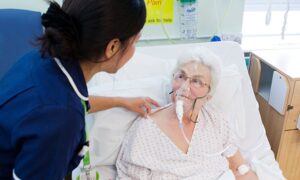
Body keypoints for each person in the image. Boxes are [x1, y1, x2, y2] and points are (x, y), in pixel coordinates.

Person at [0, 0, 147, 179]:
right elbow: (59, 110)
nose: (133, 50)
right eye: (134, 42)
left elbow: (68, 101)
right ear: (113, 47)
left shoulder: (43, 59)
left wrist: (121, 102)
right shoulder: (60, 117)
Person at [116, 47, 259, 179]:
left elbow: (239, 168)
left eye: (196, 81)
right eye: (181, 76)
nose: (184, 87)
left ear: (208, 95)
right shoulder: (146, 128)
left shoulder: (217, 122)